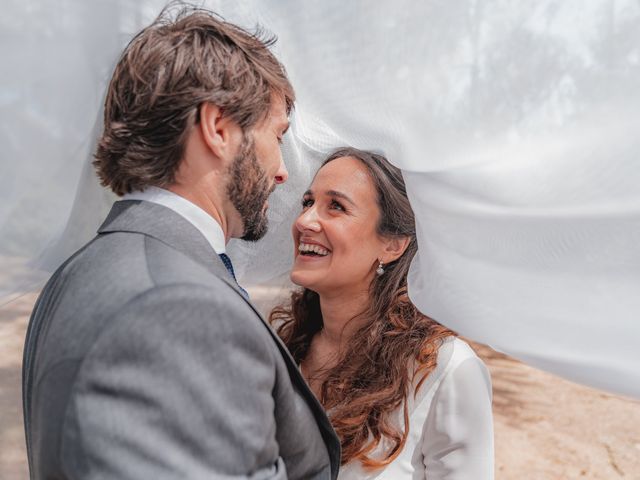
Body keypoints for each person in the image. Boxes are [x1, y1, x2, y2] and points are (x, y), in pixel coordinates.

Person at [22, 7, 340, 479]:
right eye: (277, 136)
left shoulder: (77, 271)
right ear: (217, 128)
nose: (282, 172)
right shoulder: (178, 308)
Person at [271, 147, 494, 479]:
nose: (304, 221)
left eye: (336, 206)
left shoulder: (445, 371)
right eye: (307, 203)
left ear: (393, 245)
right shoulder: (281, 344)